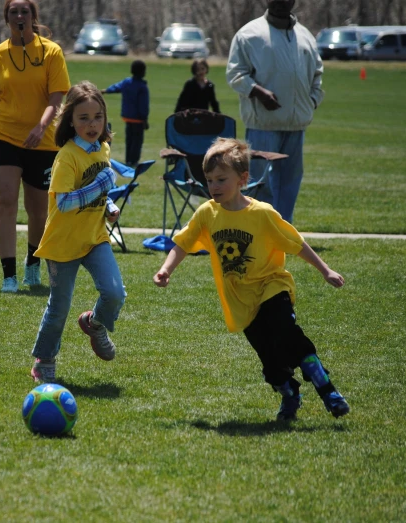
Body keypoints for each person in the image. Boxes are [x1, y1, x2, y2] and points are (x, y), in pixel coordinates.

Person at [154, 138, 349, 421]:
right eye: (209, 180)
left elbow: (295, 243)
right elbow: (184, 243)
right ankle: (289, 394)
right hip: (242, 301)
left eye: (221, 179)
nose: (214, 186)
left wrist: (325, 270)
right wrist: (166, 269)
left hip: (272, 285)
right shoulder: (207, 213)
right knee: (271, 364)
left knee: (287, 333)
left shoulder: (262, 214)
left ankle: (326, 388)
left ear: (242, 179)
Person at [0, 0, 70, 293]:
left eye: (25, 11)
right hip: (4, 136)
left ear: (34, 17)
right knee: (6, 202)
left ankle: (32, 268)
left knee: (38, 211)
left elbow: (56, 99)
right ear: (7, 19)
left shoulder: (51, 52)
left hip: (43, 140)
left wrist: (41, 127)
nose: (20, 16)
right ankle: (9, 275)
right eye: (14, 12)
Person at [29, 81, 125, 384]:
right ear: (70, 120)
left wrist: (107, 204)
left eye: (97, 117)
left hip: (94, 238)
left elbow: (99, 185)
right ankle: (44, 359)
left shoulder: (103, 149)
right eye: (83, 118)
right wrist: (101, 188)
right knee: (58, 309)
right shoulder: (66, 157)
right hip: (62, 244)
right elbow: (65, 201)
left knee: (114, 293)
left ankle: (94, 323)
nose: (92, 124)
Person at [226, 0, 323, 224]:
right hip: (263, 124)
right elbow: (235, 74)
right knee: (259, 182)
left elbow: (317, 74)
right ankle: (255, 228)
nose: (281, 3)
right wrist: (257, 92)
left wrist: (312, 101)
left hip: (296, 124)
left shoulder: (305, 35)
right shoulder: (249, 34)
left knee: (289, 182)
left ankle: (283, 229)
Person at [102, 60, 150, 167]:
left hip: (128, 117)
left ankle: (128, 160)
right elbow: (143, 105)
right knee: (137, 141)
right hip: (138, 119)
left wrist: (106, 90)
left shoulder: (127, 82)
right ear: (143, 72)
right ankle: (134, 160)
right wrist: (145, 119)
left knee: (129, 139)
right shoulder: (142, 87)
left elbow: (116, 87)